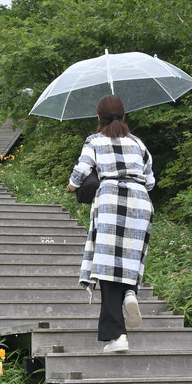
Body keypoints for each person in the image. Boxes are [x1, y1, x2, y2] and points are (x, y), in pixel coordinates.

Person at [66, 95, 155, 352]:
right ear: (124, 116)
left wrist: (71, 186)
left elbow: (83, 169)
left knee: (107, 265)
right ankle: (130, 292)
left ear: (98, 117)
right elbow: (150, 180)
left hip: (110, 198)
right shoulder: (138, 143)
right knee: (129, 256)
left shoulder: (94, 141)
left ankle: (118, 336)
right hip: (140, 200)